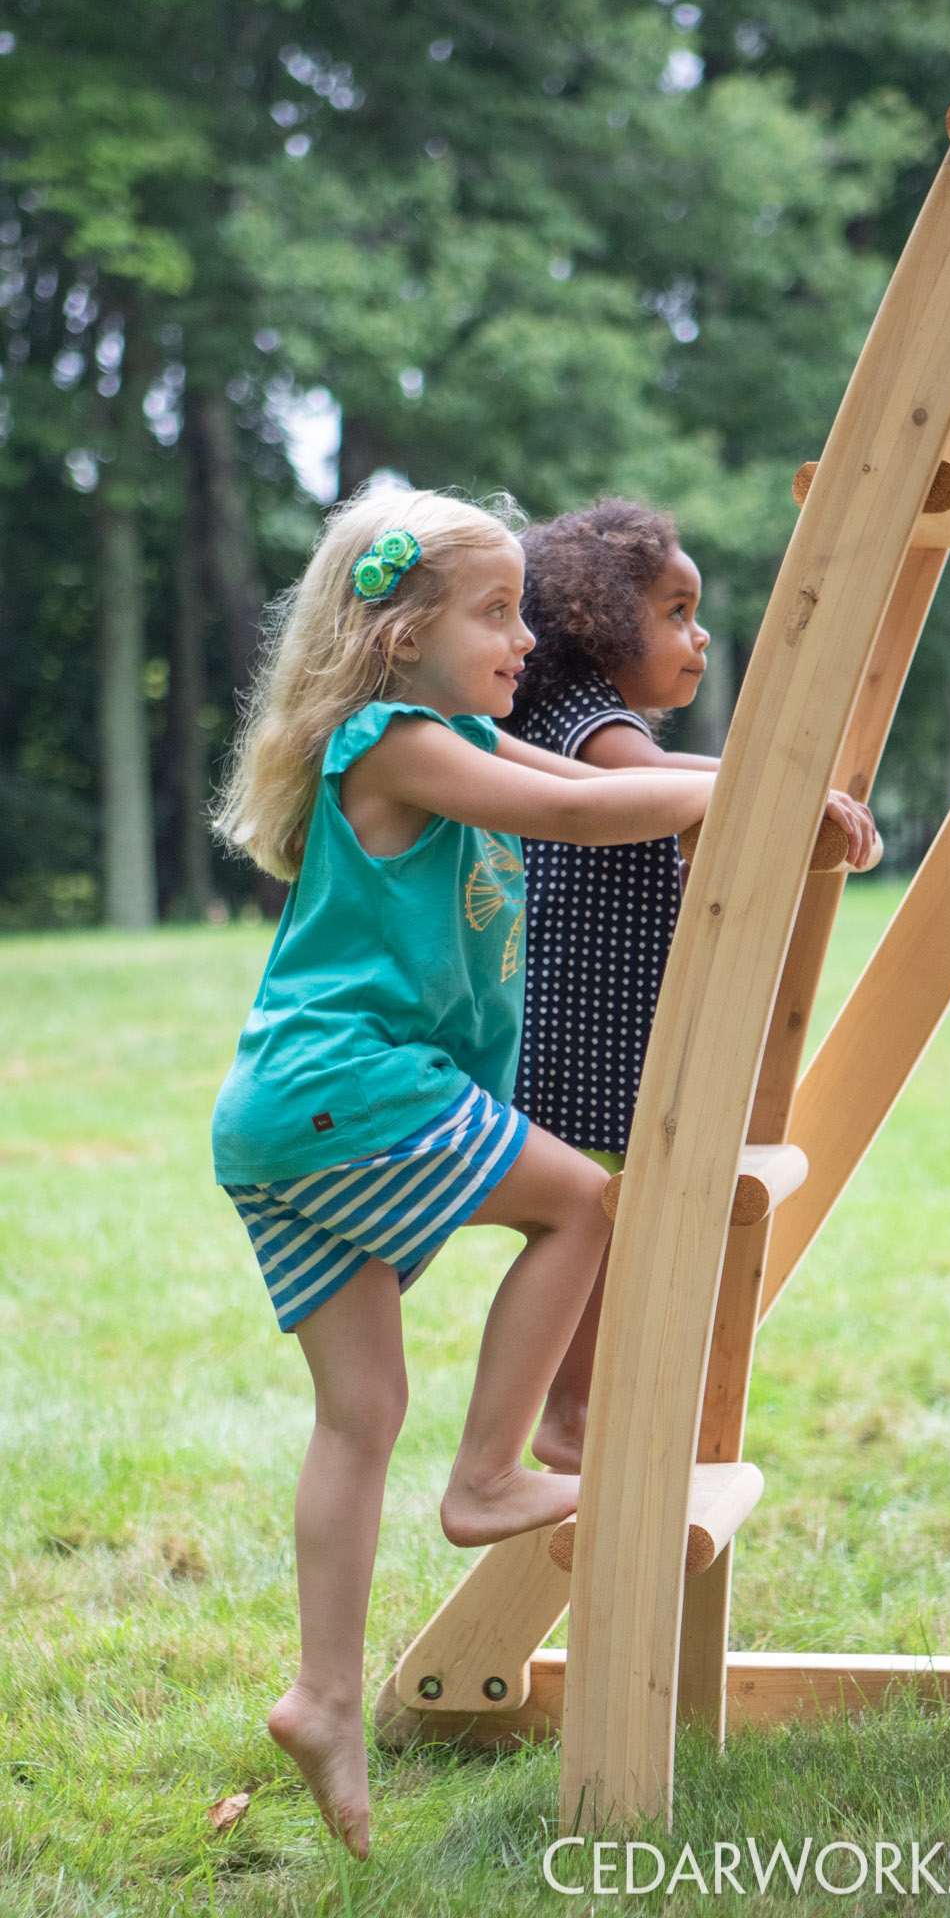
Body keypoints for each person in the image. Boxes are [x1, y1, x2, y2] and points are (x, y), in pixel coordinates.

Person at [210, 486, 714, 1858]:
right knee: (584, 1202)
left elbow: (591, 786)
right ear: (398, 636)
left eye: (524, 613)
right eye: (495, 614)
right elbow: (573, 816)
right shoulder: (396, 741)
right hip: (350, 1087)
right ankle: (491, 1473)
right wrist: (754, 791)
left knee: (360, 1412)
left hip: (280, 1113)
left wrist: (746, 784)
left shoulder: (463, 738)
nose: (524, 638)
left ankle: (322, 1699)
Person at [508, 496, 875, 1165]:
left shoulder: (580, 713)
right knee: (603, 1187)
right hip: (584, 1022)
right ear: (603, 625)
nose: (699, 635)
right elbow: (643, 772)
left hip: (595, 1008)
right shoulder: (579, 710)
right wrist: (786, 788)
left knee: (614, 1187)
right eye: (677, 612)